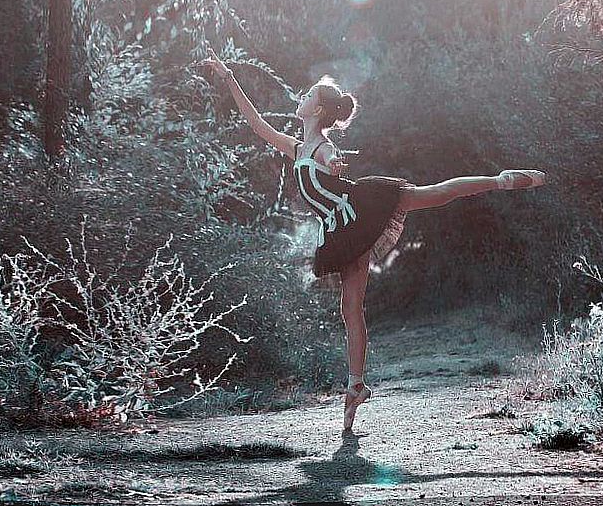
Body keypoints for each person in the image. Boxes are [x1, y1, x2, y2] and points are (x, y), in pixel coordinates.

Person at [201, 47, 547, 433]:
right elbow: (257, 124)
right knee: (351, 310)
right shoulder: (295, 147)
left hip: (363, 209)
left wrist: (333, 164)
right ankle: (356, 387)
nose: (301, 98)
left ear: (315, 110)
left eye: (307, 96)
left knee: (432, 194)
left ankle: (502, 180)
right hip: (341, 231)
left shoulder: (321, 148)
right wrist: (230, 78)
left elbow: (331, 160)